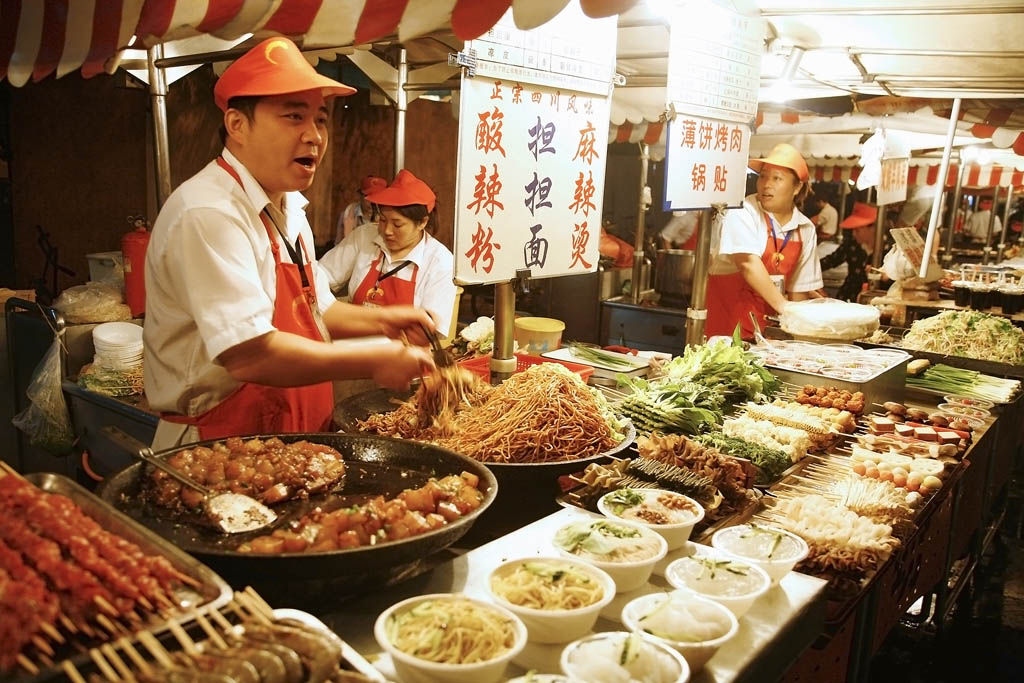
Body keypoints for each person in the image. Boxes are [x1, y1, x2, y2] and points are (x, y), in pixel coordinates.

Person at [144, 37, 435, 449]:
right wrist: (374, 359)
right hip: (217, 440)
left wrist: (387, 322)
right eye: (293, 117)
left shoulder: (289, 206)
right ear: (237, 125)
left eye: (320, 119)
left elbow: (316, 308)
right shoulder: (208, 212)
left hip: (292, 428)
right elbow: (249, 354)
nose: (314, 135)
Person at [705, 143, 823, 339]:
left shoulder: (805, 229)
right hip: (726, 328)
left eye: (777, 178)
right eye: (763, 176)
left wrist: (799, 334)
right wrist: (784, 306)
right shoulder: (743, 211)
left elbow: (799, 290)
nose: (766, 184)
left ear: (797, 187)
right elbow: (747, 262)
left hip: (769, 334)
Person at [319, 170, 457, 333]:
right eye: (383, 220)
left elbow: (429, 330)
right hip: (351, 343)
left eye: (397, 224)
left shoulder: (440, 261)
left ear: (422, 223)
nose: (387, 231)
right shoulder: (364, 236)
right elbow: (321, 274)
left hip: (402, 353)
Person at [819, 202, 877, 302]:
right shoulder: (851, 244)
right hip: (848, 297)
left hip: (875, 300)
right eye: (853, 230)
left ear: (873, 228)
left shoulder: (887, 250)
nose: (854, 234)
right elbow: (830, 261)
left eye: (858, 230)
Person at [334, 175, 386, 244]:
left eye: (376, 197)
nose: (372, 202)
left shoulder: (386, 218)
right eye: (368, 197)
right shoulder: (347, 215)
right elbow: (338, 245)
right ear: (360, 195)